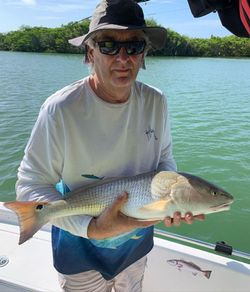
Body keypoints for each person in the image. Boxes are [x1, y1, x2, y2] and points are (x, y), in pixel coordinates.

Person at [16, 0, 204, 291]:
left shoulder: (156, 101)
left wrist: (174, 197)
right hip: (78, 249)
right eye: (108, 45)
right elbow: (30, 184)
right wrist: (92, 228)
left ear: (144, 55)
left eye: (134, 47)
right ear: (90, 53)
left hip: (136, 247)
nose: (122, 57)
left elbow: (164, 159)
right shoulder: (61, 109)